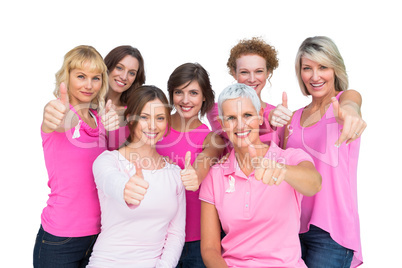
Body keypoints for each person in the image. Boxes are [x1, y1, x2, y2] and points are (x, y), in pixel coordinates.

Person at [200, 83, 322, 267]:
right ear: (223, 124)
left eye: (247, 115)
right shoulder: (215, 176)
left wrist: (282, 170)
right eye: (231, 118)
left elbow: (314, 183)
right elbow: (210, 249)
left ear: (259, 116)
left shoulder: (289, 157)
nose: (240, 124)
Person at [280, 36, 366, 267]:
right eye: (307, 68)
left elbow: (352, 102)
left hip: (331, 232)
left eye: (323, 67)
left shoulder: (342, 104)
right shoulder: (293, 118)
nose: (315, 76)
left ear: (335, 69)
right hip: (291, 229)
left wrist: (352, 112)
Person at [88, 85, 185, 267]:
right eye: (144, 117)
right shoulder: (108, 161)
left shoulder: (175, 174)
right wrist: (124, 189)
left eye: (160, 118)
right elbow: (110, 179)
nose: (153, 126)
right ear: (130, 119)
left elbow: (176, 234)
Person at [33, 45, 109, 267]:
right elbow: (58, 121)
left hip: (99, 236)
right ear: (67, 77)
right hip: (60, 240)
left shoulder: (100, 120)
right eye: (81, 76)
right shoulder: (62, 114)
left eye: (95, 78)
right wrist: (56, 113)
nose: (89, 84)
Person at [156, 63, 225, 268]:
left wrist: (194, 175)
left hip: (198, 241)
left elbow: (205, 160)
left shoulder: (212, 138)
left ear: (204, 97)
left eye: (193, 93)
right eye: (179, 92)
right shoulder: (156, 127)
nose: (185, 100)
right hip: (158, 238)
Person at [207, 37, 290, 146]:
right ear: (234, 72)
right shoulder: (217, 109)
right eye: (244, 72)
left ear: (268, 72)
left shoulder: (278, 115)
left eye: (259, 71)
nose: (251, 79)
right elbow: (240, 135)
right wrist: (267, 117)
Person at [103, 45, 146, 150]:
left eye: (131, 73)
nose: (124, 77)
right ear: (107, 67)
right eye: (119, 68)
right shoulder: (86, 103)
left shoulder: (135, 111)